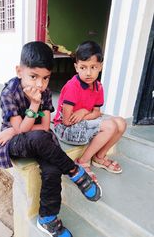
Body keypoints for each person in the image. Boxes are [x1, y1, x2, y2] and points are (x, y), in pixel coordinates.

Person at [0, 41, 101, 237]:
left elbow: (44, 127)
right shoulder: (9, 92)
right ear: (19, 71)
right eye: (33, 76)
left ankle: (48, 218)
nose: (39, 85)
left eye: (45, 78)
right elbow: (25, 131)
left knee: (51, 168)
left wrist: (17, 127)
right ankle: (75, 171)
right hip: (14, 143)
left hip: (35, 139)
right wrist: (31, 110)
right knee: (39, 138)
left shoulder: (45, 91)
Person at [54, 40, 127, 176]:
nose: (88, 73)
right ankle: (82, 161)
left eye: (93, 67)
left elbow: (97, 113)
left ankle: (99, 158)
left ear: (100, 67)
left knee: (121, 123)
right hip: (65, 129)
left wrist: (84, 112)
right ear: (76, 67)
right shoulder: (72, 86)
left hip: (82, 122)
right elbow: (67, 121)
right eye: (83, 67)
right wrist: (88, 113)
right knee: (110, 126)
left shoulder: (98, 87)